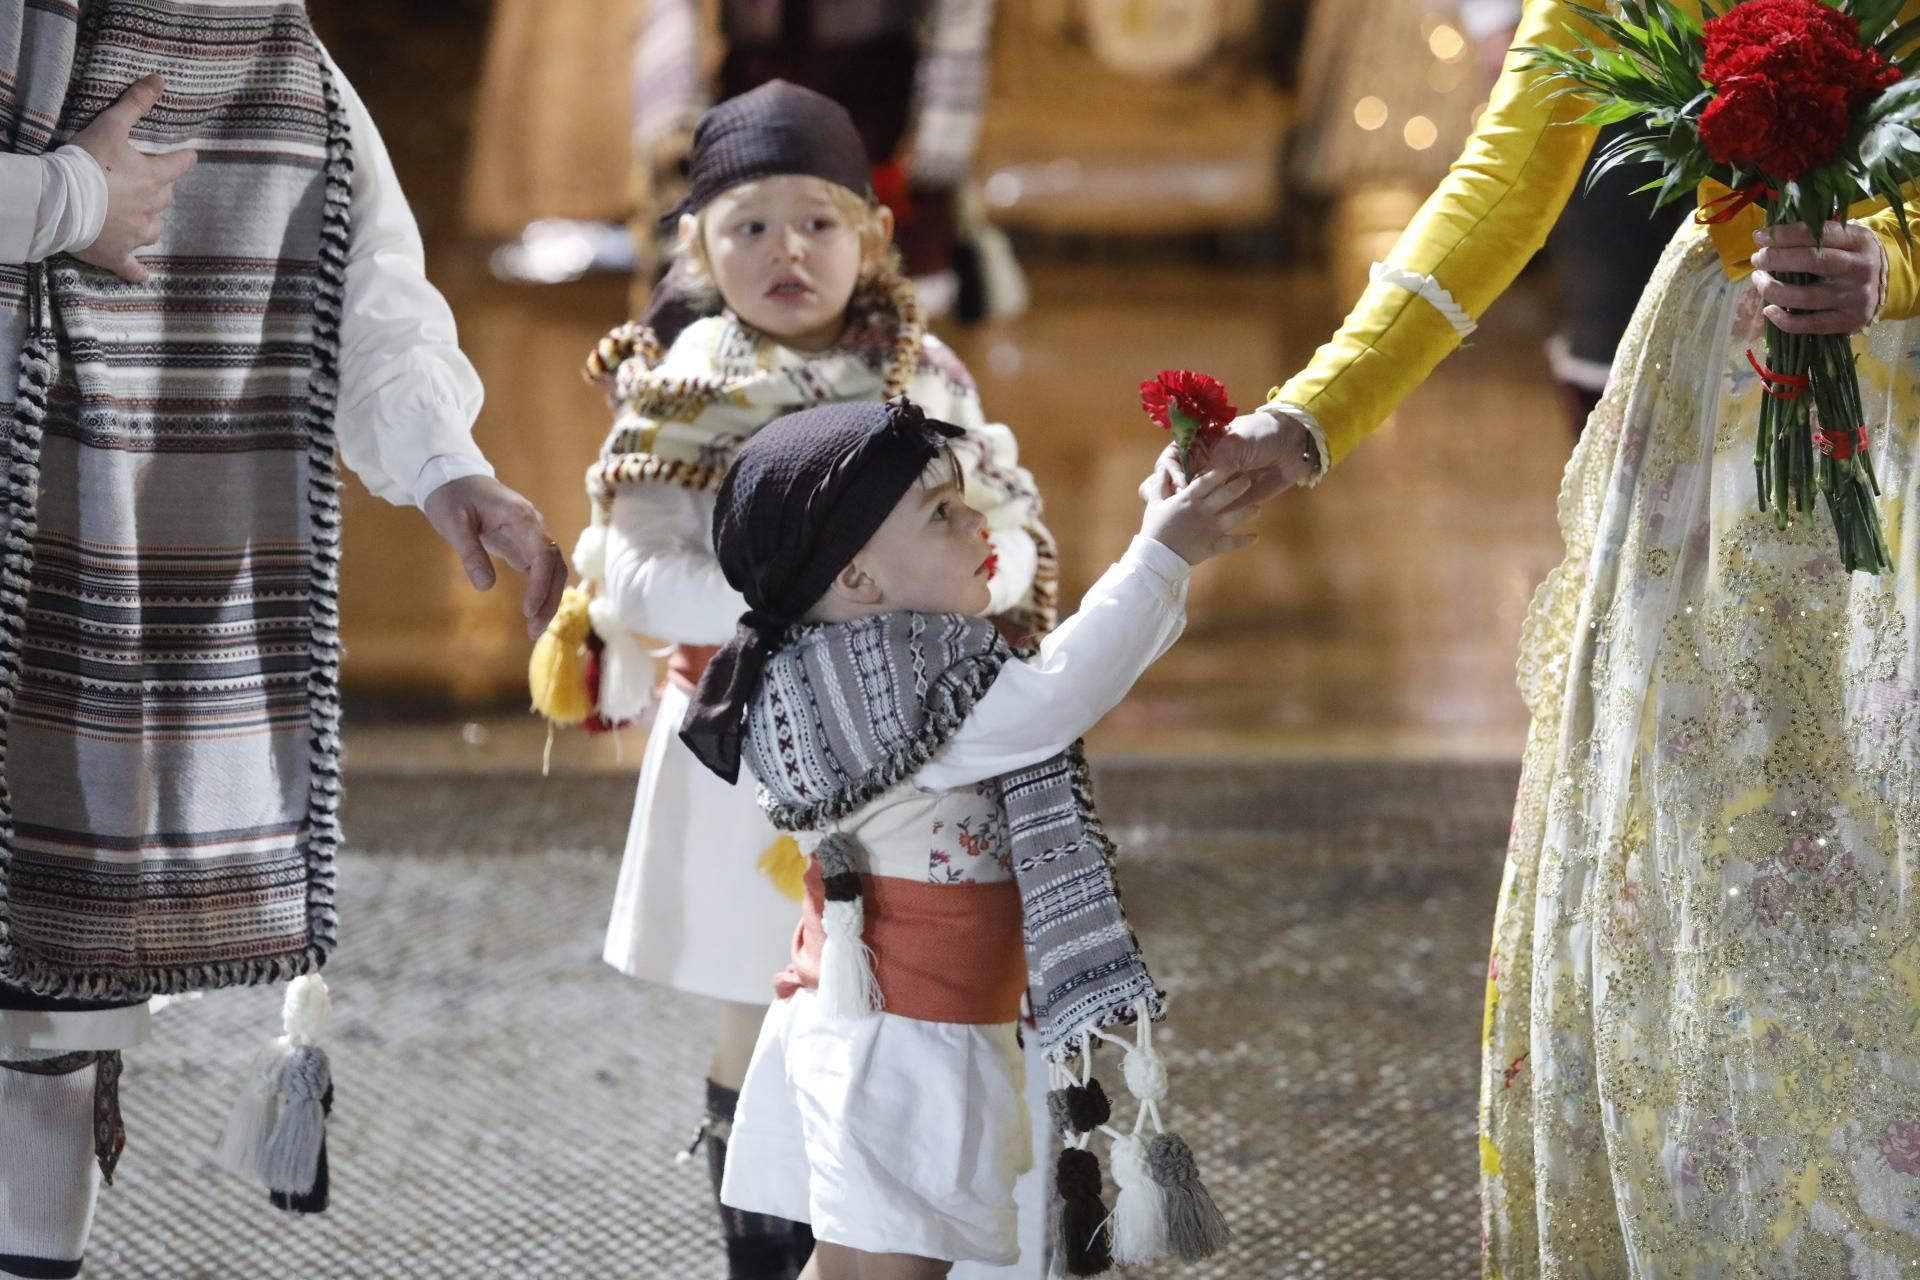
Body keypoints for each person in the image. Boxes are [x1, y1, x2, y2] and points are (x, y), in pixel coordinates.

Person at [1176, 0, 1920, 1273]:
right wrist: (1308, 419)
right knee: (1707, 860)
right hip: (1718, 407)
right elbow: (1501, 179)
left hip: (1897, 400)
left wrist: (1894, 261)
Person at [0, 6, 566, 1276]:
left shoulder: (259, 47)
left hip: (98, 589)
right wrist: (66, 197)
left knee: (48, 1006)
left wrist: (444, 465)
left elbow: (360, 277)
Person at [539, 81, 1054, 1280]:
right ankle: (763, 1254)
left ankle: (882, 1235)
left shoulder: (922, 379)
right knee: (760, 1002)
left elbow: (1006, 525)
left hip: (902, 759)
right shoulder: (678, 389)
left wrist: (982, 581)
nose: (787, 252)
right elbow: (633, 573)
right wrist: (802, 598)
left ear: (871, 237)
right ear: (697, 245)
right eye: (750, 225)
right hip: (743, 751)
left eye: (818, 222)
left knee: (887, 1002)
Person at [681, 397, 1247, 1278]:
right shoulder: (895, 687)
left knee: (858, 1263)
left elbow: (1052, 688)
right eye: (941, 514)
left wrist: (1159, 546)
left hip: (892, 1026)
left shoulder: (856, 666)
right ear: (859, 580)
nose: (977, 520)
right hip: (909, 1040)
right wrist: (1162, 553)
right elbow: (1060, 693)